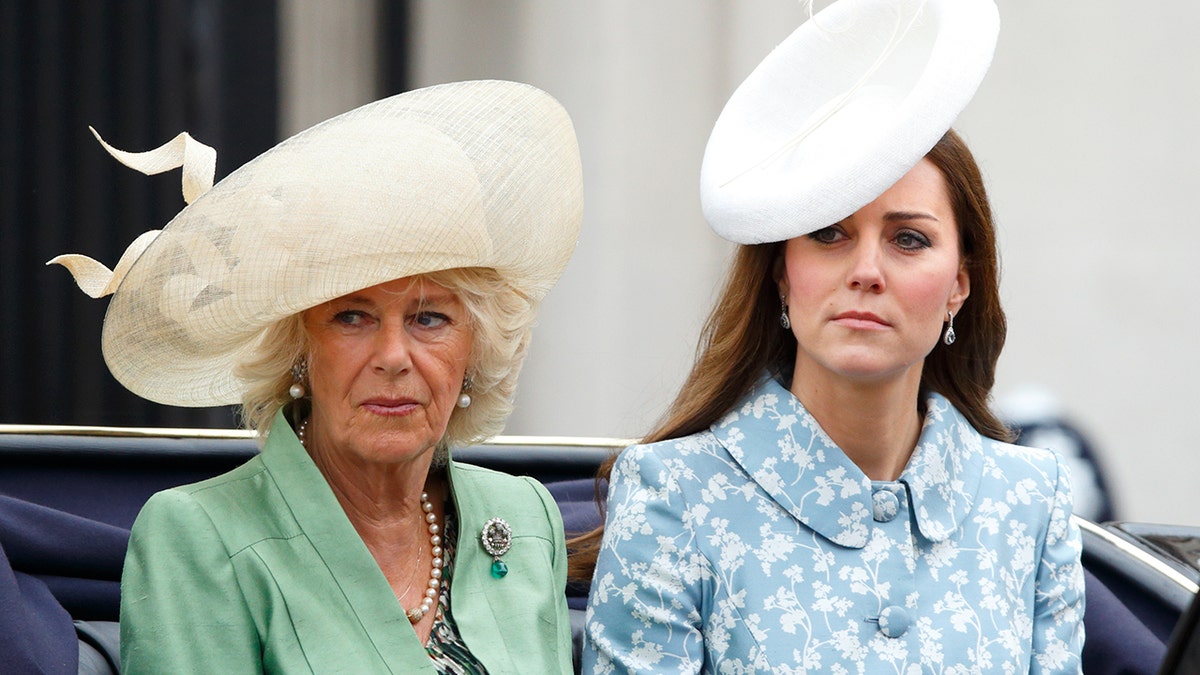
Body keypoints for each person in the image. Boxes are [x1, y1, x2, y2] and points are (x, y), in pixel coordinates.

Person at [579, 0, 1085, 672]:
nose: (866, 271)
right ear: (783, 275)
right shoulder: (674, 494)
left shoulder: (1029, 500)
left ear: (960, 282)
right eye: (828, 233)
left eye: (908, 239)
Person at [50, 80, 582, 673]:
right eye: (351, 317)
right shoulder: (198, 535)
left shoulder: (526, 515)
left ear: (475, 350)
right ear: (299, 347)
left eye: (429, 318)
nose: (392, 355)